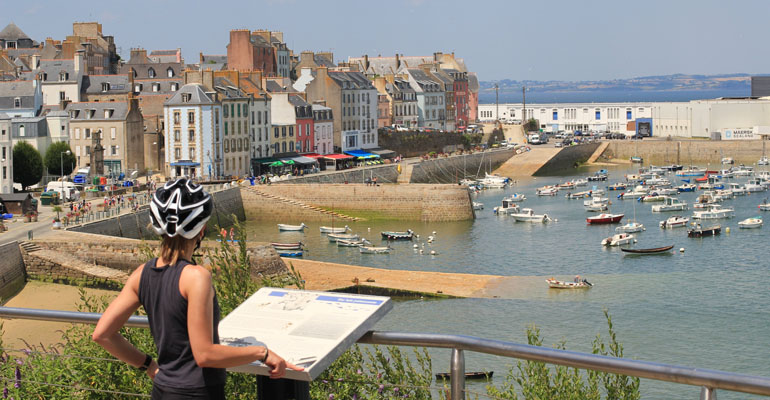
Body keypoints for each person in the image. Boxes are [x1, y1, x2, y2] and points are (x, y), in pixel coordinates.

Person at [93, 178, 301, 399]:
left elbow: (102, 334)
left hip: (162, 390)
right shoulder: (196, 277)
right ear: (201, 229)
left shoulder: (141, 274)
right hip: (197, 392)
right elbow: (204, 354)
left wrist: (150, 366)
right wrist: (263, 353)